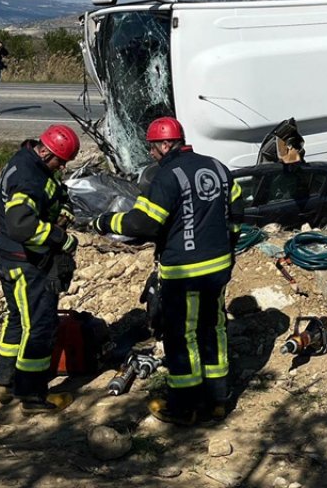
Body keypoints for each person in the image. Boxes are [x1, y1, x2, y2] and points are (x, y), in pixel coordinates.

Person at [91, 117, 239, 425]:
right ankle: (217, 400)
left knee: (182, 335)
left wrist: (104, 222)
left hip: (184, 271)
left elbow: (144, 223)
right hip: (219, 266)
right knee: (214, 329)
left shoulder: (167, 175)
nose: (152, 154)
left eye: (153, 148)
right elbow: (234, 211)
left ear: (164, 144)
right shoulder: (217, 167)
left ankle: (184, 406)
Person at [0, 124, 81, 413]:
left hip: (8, 257)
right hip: (27, 261)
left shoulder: (24, 160)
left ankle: (6, 382)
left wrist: (62, 210)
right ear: (46, 153)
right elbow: (21, 224)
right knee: (39, 326)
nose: (62, 167)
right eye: (60, 161)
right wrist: (60, 238)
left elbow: (52, 193)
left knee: (17, 318)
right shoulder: (30, 179)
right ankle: (32, 397)